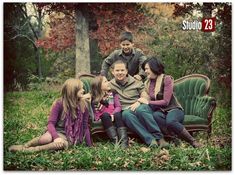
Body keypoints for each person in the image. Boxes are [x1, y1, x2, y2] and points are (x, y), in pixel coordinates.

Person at [9, 78, 92, 152]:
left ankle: (32, 150)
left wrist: (89, 145)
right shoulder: (59, 103)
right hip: (57, 131)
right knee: (46, 138)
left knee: (61, 144)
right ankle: (25, 146)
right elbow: (50, 123)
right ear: (73, 91)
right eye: (81, 88)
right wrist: (56, 137)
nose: (83, 90)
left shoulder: (84, 105)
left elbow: (85, 126)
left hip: (72, 136)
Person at [138, 56, 201, 148]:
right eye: (144, 69)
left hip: (173, 109)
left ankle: (192, 141)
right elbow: (145, 96)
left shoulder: (167, 79)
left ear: (154, 67)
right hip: (160, 111)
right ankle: (174, 138)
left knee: (171, 121)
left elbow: (166, 102)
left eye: (147, 68)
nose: (145, 71)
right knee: (155, 116)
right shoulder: (148, 83)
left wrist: (148, 102)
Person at [109, 60, 168, 148]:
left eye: (122, 70)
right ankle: (150, 140)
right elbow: (98, 93)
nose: (120, 73)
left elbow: (145, 96)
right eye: (117, 70)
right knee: (126, 114)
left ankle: (159, 138)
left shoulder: (135, 82)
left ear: (126, 71)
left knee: (141, 109)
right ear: (112, 72)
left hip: (139, 105)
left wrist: (139, 101)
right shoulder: (110, 85)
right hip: (125, 109)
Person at [91, 75, 128, 148]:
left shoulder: (113, 93)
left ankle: (124, 141)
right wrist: (106, 115)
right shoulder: (94, 98)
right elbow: (95, 114)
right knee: (105, 115)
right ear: (99, 85)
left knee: (118, 113)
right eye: (105, 82)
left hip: (114, 115)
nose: (108, 83)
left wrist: (113, 114)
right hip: (104, 118)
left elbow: (118, 106)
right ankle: (115, 141)